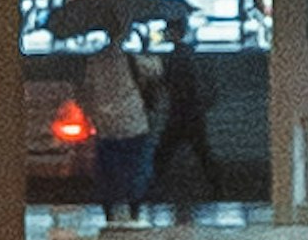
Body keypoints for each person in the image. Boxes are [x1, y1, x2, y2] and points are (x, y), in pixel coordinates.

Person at [79, 32, 150, 226]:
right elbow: (155, 72)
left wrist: (92, 115)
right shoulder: (132, 59)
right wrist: (145, 44)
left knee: (107, 171)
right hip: (133, 123)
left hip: (106, 126)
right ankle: (134, 210)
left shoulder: (94, 61)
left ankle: (109, 212)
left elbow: (87, 91)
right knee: (135, 168)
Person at [147, 33, 217, 223]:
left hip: (179, 113)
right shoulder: (189, 55)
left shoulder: (175, 57)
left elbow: (167, 82)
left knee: (163, 152)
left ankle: (151, 187)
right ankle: (216, 185)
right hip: (193, 113)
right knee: (202, 151)